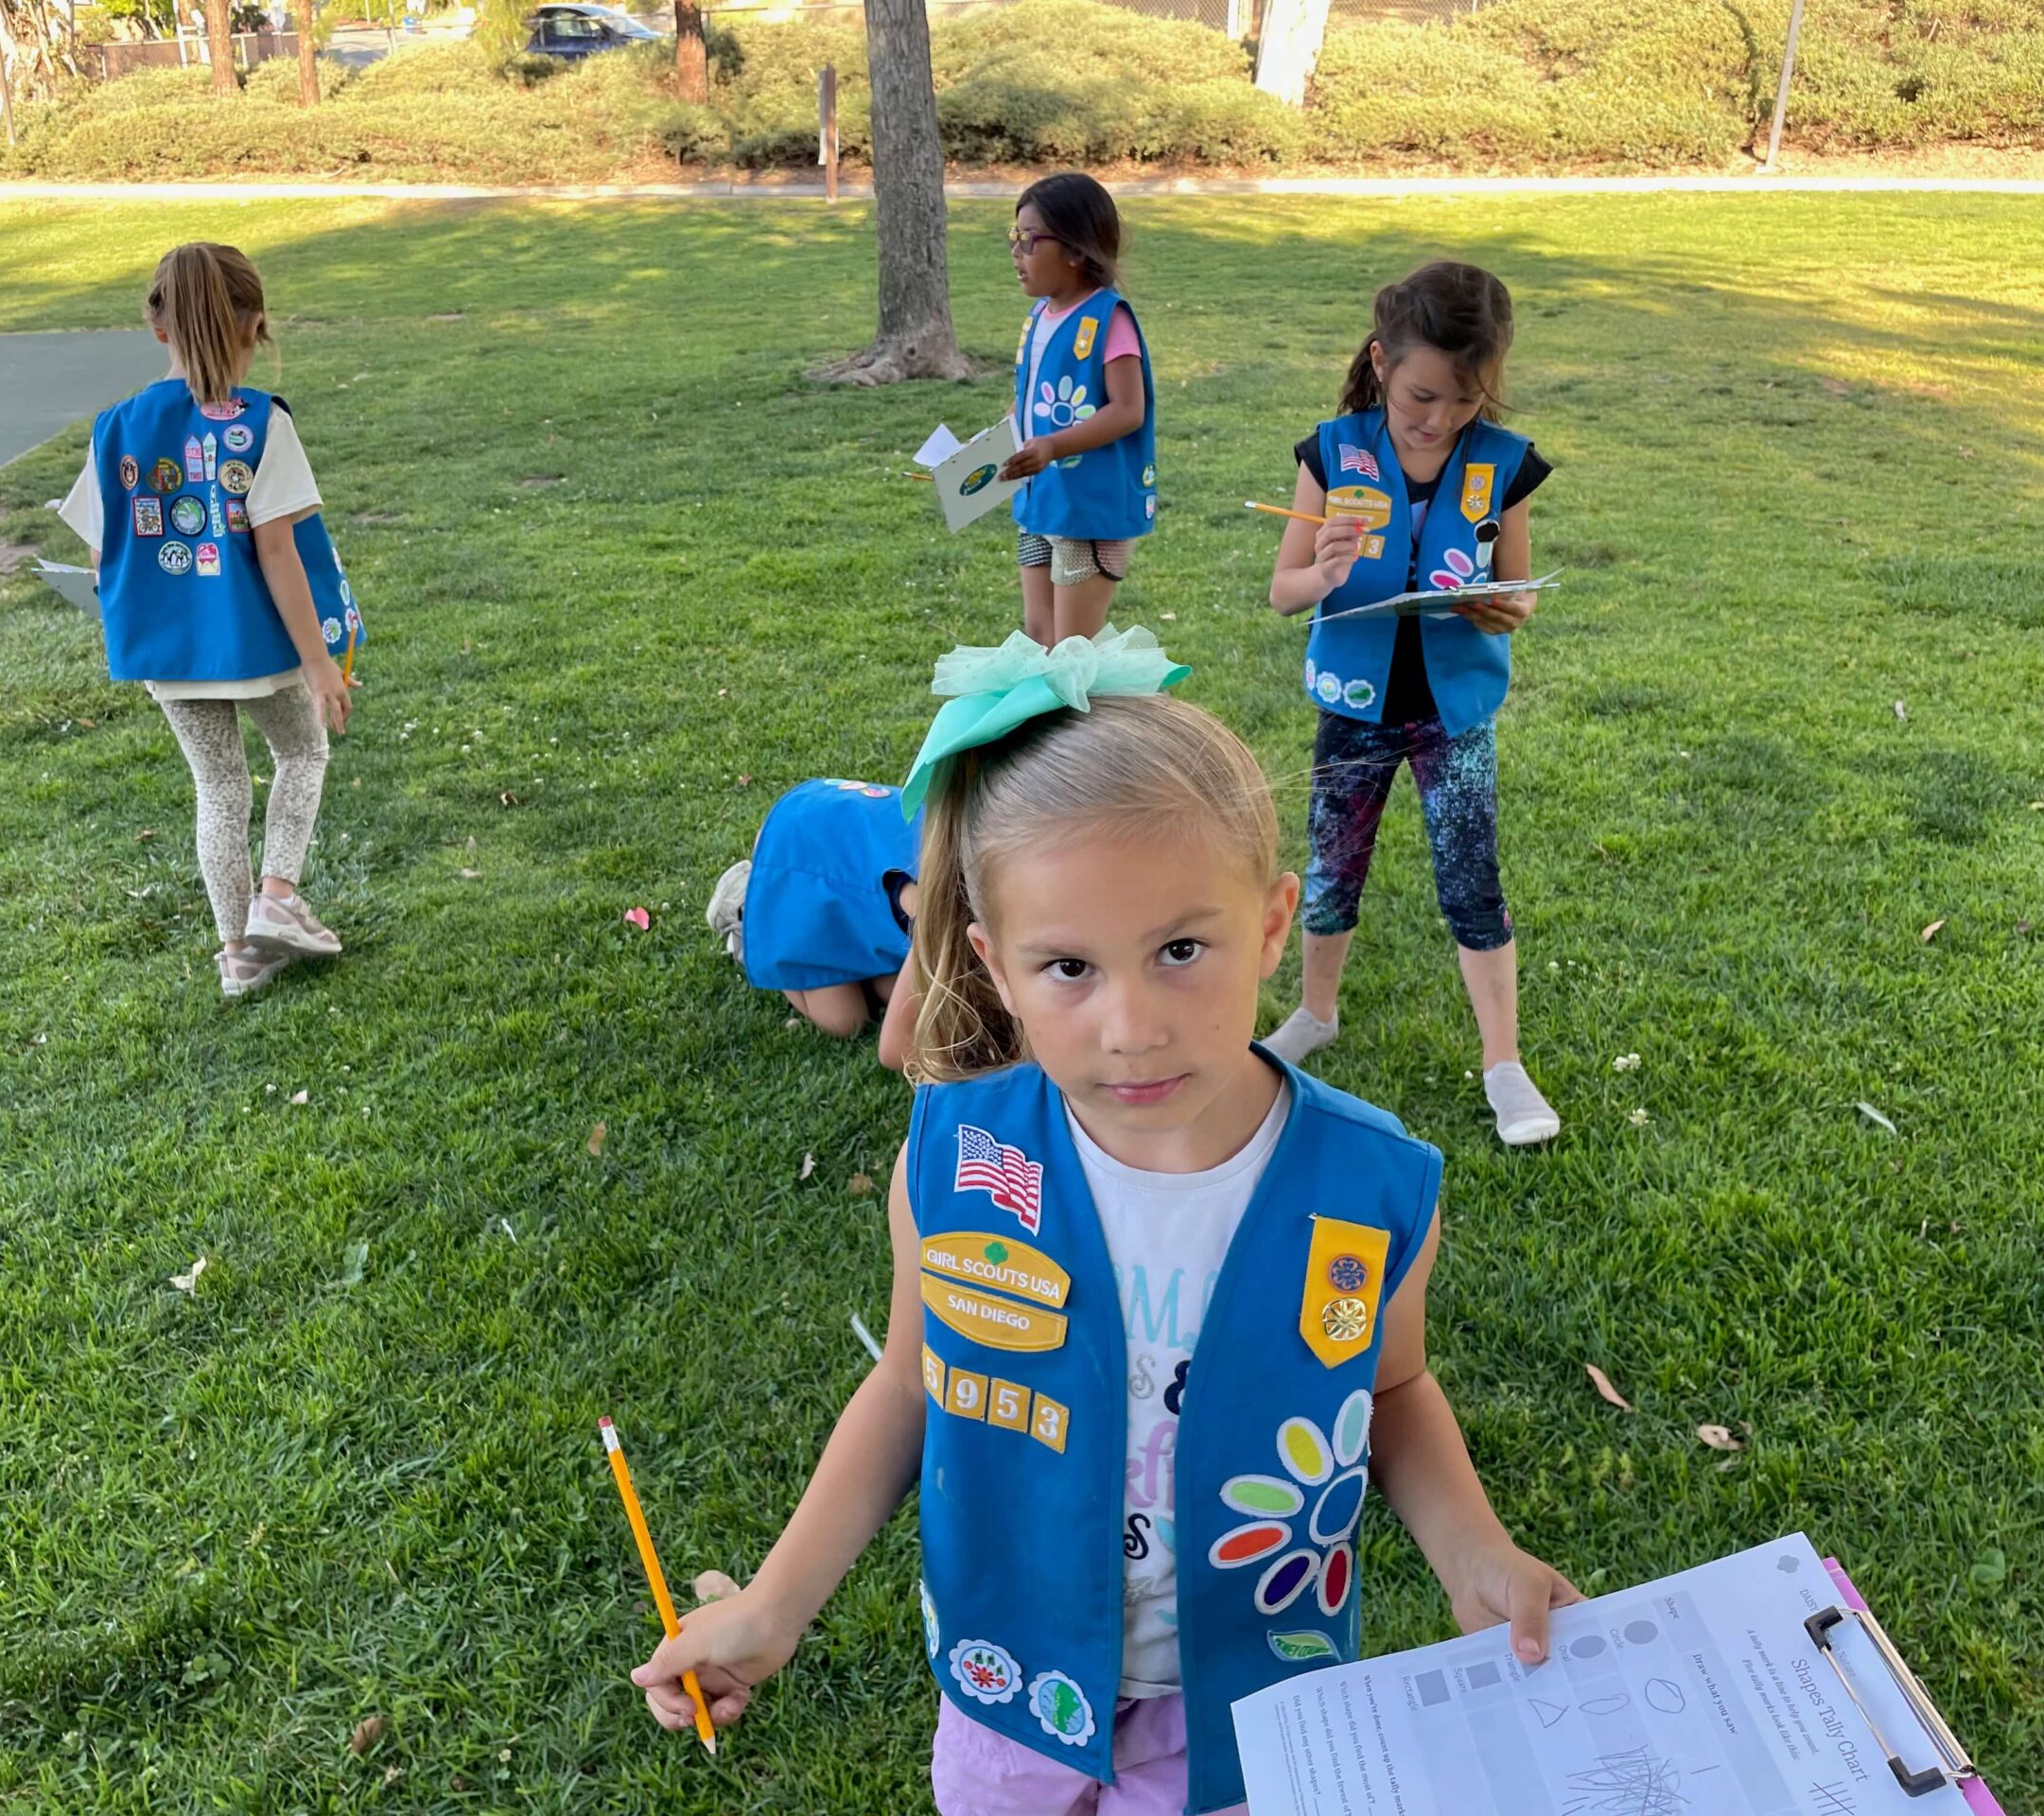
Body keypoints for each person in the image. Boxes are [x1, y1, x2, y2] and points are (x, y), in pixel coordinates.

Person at [634, 628, 1577, 1815]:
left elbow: (1389, 1393)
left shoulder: (1371, 1187)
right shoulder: (956, 1160)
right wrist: (772, 1607)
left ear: (1276, 921)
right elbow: (911, 1384)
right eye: (1068, 968)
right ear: (992, 961)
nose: (1130, 1024)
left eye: (1181, 949)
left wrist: (1475, 1552)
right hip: (1006, 1693)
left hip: (1251, 1709)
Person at [1260, 261, 1561, 1145]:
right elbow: (1283, 590)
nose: (1440, 419)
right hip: (1355, 704)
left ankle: (1503, 1062)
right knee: (1331, 866)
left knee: (1472, 879)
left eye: (1465, 402)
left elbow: (1519, 587)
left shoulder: (1503, 466)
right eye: (1423, 395)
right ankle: (1316, 1013)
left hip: (1452, 709)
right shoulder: (1332, 451)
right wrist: (1324, 571)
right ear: (1381, 361)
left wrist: (1511, 607)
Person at [58, 242, 364, 1000]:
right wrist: (321, 664)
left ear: (156, 327)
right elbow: (279, 553)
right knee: (302, 754)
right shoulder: (262, 423)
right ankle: (281, 896)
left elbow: (103, 559)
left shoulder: (114, 429)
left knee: (219, 788)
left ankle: (238, 955)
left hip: (166, 653)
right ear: (255, 326)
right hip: (255, 645)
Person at [997, 174, 1158, 651]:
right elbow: (1028, 399)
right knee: (1040, 635)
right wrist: (995, 443)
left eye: (1029, 240)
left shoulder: (1110, 318)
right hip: (1042, 502)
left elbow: (1128, 410)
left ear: (1075, 250)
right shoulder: (1039, 317)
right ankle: (1056, 724)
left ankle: (1094, 726)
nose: (1016, 251)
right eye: (1014, 237)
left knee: (1072, 649)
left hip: (1089, 508)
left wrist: (1053, 445)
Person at [708, 777, 922, 1071]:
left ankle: (848, 958)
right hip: (800, 863)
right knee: (846, 1020)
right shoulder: (936, 911)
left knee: (907, 992)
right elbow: (895, 1050)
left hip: (850, 877)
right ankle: (750, 911)